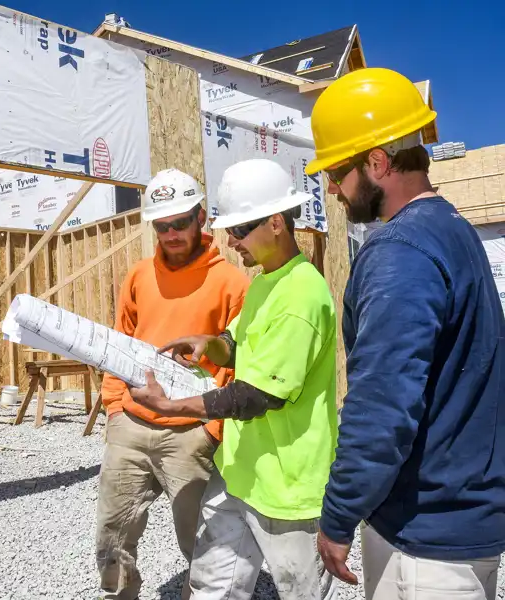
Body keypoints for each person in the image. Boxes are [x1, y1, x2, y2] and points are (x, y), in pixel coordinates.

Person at [304, 67, 505, 598]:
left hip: (424, 546)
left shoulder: (399, 252)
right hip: (465, 526)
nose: (332, 187)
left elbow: (383, 405)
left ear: (377, 162)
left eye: (337, 170)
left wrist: (339, 514)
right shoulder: (455, 232)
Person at [130, 158, 339, 600]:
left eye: (240, 230)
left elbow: (257, 396)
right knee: (211, 587)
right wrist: (210, 343)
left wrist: (170, 406)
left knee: (299, 592)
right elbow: (239, 342)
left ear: (277, 223)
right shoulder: (266, 281)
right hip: (240, 474)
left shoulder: (302, 294)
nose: (230, 240)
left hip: (288, 489)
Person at [96, 168, 250, 600]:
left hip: (190, 434)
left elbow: (242, 361)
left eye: (180, 222)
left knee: (202, 544)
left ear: (200, 217)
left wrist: (210, 430)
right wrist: (113, 406)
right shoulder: (139, 276)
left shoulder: (231, 283)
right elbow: (119, 343)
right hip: (131, 424)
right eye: (161, 226)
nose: (171, 233)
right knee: (112, 536)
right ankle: (119, 594)